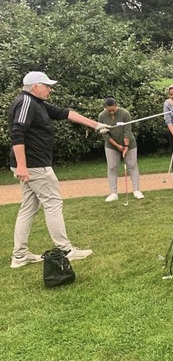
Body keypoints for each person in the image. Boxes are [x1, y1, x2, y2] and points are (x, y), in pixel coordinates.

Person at [8, 71, 110, 268]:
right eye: (47, 86)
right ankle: (66, 250)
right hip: (34, 165)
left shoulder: (38, 103)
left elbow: (65, 113)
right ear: (35, 87)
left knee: (29, 207)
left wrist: (96, 125)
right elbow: (17, 132)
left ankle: (20, 256)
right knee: (53, 203)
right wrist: (22, 165)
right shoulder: (26, 103)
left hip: (32, 165)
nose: (50, 89)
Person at [98, 96, 144, 202]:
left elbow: (127, 130)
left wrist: (126, 146)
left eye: (113, 110)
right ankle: (113, 193)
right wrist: (117, 146)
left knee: (132, 166)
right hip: (111, 146)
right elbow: (105, 134)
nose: (112, 112)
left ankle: (136, 190)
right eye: (109, 111)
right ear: (105, 108)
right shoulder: (101, 116)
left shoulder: (125, 113)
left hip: (130, 144)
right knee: (112, 168)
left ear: (116, 105)